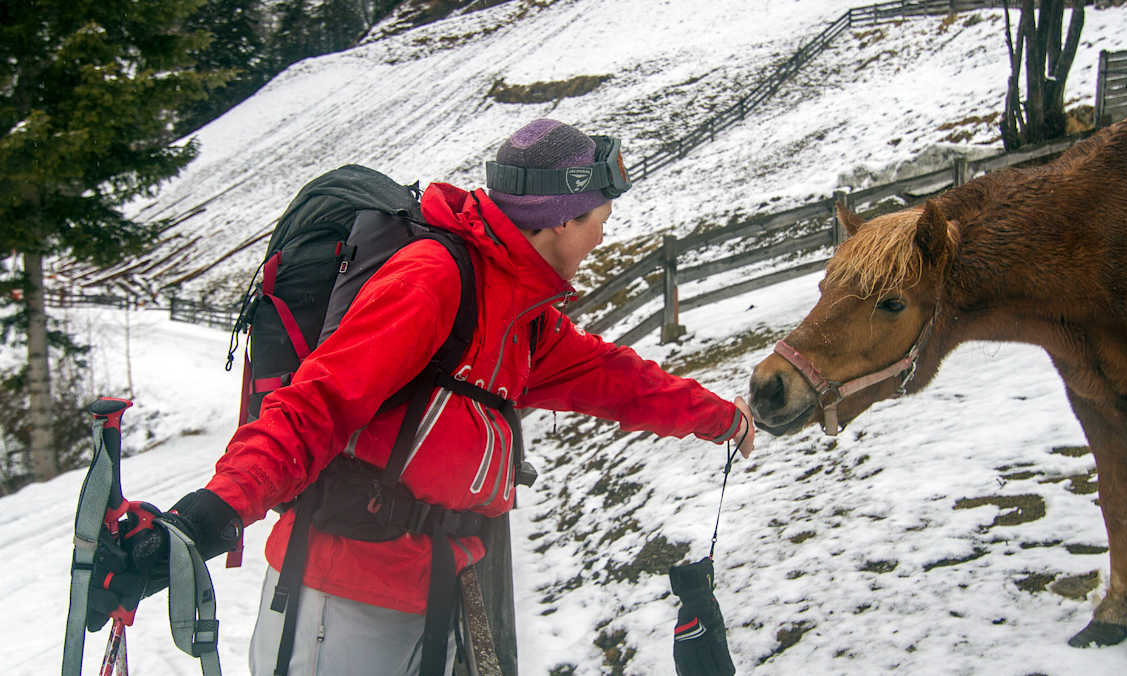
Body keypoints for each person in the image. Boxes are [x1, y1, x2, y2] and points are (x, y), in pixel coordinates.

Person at [86, 118, 756, 675]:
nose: (603, 234)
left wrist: (719, 417)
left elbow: (614, 378)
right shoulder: (435, 280)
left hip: (429, 590)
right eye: (599, 219)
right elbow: (315, 405)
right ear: (561, 220)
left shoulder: (518, 314)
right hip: (341, 597)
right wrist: (210, 514)